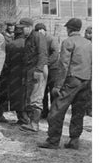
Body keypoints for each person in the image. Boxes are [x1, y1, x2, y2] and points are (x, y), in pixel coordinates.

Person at [39, 18, 92, 149]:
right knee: (78, 111)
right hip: (86, 80)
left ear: (69, 29)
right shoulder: (89, 43)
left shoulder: (68, 42)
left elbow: (63, 65)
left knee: (57, 109)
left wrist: (57, 85)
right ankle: (74, 140)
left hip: (72, 80)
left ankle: (53, 140)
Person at [18, 18, 48, 132]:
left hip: (37, 69)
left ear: (29, 27)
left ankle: (34, 124)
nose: (21, 31)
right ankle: (32, 123)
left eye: (23, 28)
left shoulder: (37, 36)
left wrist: (39, 70)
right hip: (32, 69)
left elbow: (43, 53)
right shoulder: (28, 38)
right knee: (31, 97)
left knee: (36, 98)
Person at [36, 23, 60, 119]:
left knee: (53, 91)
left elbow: (55, 53)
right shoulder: (37, 40)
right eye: (37, 30)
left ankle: (54, 113)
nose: (39, 32)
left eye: (41, 29)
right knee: (43, 91)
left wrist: (46, 63)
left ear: (44, 30)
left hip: (53, 68)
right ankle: (44, 111)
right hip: (42, 68)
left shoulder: (51, 39)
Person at [6, 25, 28, 125]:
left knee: (16, 95)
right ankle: (26, 117)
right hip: (27, 73)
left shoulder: (11, 44)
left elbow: (7, 60)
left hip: (14, 73)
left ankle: (21, 117)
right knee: (26, 95)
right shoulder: (28, 44)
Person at [0, 22, 15, 122]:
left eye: (13, 25)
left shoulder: (16, 36)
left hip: (14, 68)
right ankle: (0, 114)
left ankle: (11, 110)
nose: (11, 27)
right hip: (4, 67)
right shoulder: (2, 37)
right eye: (9, 25)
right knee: (2, 92)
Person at [84, 26, 92, 117]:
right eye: (87, 32)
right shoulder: (84, 43)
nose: (88, 34)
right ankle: (88, 109)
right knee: (87, 90)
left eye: (90, 33)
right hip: (86, 69)